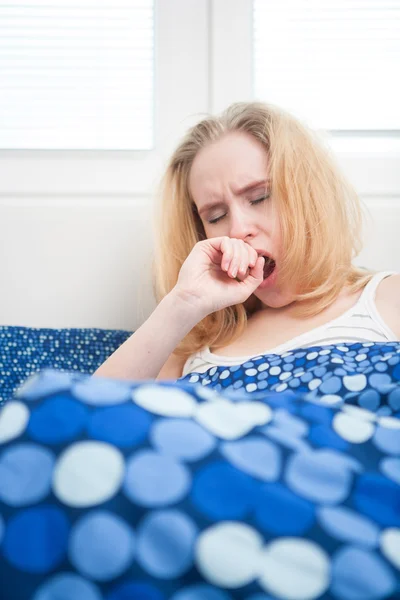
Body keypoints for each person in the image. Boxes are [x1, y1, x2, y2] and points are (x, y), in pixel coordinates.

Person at [93, 101, 400, 383]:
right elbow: (90, 413)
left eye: (259, 197)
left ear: (310, 196)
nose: (238, 229)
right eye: (215, 216)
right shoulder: (192, 348)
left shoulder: (387, 298)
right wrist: (183, 304)